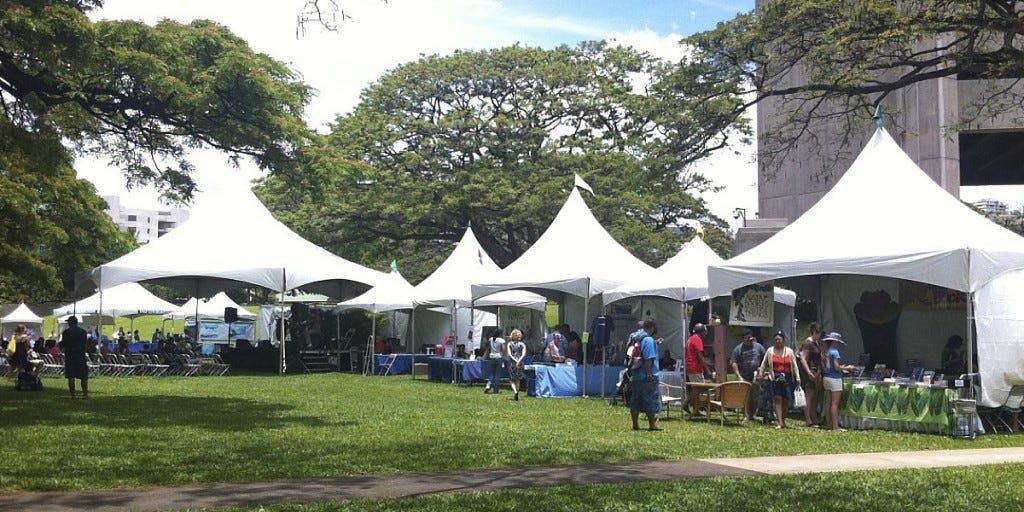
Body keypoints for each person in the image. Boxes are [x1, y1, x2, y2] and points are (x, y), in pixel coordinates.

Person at [758, 331, 801, 429]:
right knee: (777, 399)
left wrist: (798, 377)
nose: (778, 341)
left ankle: (783, 419)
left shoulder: (789, 351)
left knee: (786, 400)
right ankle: (779, 422)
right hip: (774, 377)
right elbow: (763, 364)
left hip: (787, 377)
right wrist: (761, 374)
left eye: (779, 340)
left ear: (783, 341)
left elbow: (794, 365)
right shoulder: (770, 351)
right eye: (776, 340)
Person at [629, 319, 663, 431]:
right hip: (646, 375)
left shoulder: (635, 338)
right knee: (650, 399)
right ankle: (652, 425)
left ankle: (635, 424)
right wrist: (649, 374)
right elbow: (648, 358)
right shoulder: (648, 340)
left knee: (635, 400)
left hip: (636, 374)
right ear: (652, 328)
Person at [822, 331, 855, 432]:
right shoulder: (835, 352)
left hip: (826, 377)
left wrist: (842, 368)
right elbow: (836, 367)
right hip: (834, 379)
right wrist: (848, 368)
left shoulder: (826, 351)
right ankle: (835, 426)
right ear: (836, 342)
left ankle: (828, 424)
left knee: (828, 402)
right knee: (835, 403)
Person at [730, 329, 766, 422]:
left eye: (750, 338)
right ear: (743, 339)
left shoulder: (758, 347)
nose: (749, 340)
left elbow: (765, 357)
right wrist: (738, 375)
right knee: (746, 397)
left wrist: (761, 369)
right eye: (747, 338)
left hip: (756, 377)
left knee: (755, 397)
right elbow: (734, 362)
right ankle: (745, 415)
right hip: (744, 376)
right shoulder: (738, 349)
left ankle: (751, 415)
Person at [799, 322, 825, 427]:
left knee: (814, 395)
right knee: (809, 395)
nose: (819, 336)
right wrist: (808, 372)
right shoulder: (808, 343)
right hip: (811, 371)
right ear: (814, 332)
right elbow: (803, 358)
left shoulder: (816, 343)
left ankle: (814, 417)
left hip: (817, 372)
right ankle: (808, 419)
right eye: (818, 333)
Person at [60, 316, 90, 399]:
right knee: (83, 376)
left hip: (70, 356)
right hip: (80, 356)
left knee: (71, 376)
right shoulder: (83, 332)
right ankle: (85, 394)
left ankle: (73, 395)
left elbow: (63, 344)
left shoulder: (66, 332)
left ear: (70, 323)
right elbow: (85, 344)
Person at [684, 323, 712, 412]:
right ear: (703, 331)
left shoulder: (690, 339)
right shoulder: (697, 339)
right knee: (699, 388)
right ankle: (686, 403)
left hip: (690, 366)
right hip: (695, 367)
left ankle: (696, 409)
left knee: (696, 388)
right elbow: (700, 356)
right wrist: (707, 369)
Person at [505, 329, 527, 400]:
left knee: (511, 379)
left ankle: (515, 391)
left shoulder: (509, 344)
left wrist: (515, 360)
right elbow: (523, 354)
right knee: (518, 379)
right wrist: (519, 361)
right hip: (520, 363)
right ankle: (517, 392)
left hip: (512, 363)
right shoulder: (522, 344)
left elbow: (509, 354)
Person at [483, 329, 506, 394]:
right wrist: (501, 354)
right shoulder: (501, 340)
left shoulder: (491, 339)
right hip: (498, 356)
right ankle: (496, 390)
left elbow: (489, 348)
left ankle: (488, 385)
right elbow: (504, 349)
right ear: (500, 334)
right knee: (497, 374)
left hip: (492, 356)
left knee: (492, 373)